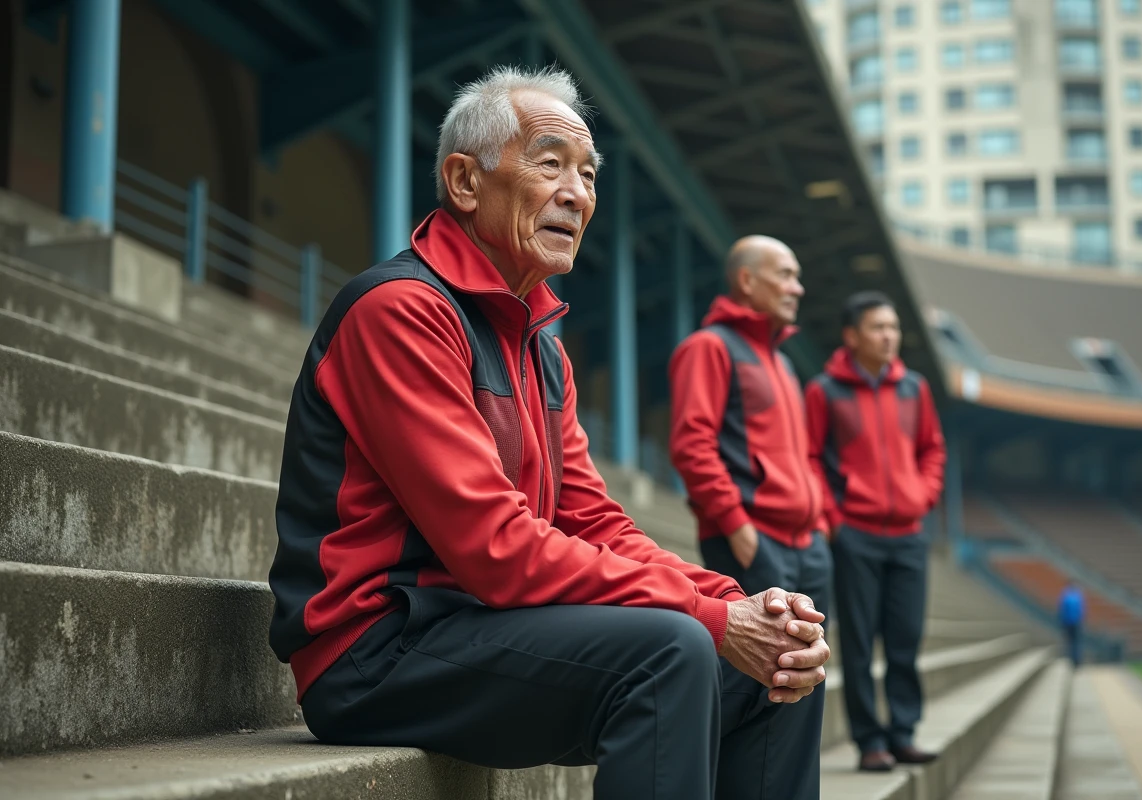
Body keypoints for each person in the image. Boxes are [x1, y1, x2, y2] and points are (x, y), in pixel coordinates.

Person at [267, 65, 830, 800]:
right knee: (671, 650)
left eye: (589, 174)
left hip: (485, 627)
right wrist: (713, 617)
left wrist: (742, 603)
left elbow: (592, 521)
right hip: (377, 650)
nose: (577, 192)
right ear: (465, 182)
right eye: (550, 164)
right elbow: (494, 546)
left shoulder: (540, 342)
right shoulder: (402, 311)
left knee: (782, 669)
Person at [668, 235, 831, 800]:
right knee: (768, 678)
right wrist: (738, 528)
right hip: (753, 540)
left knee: (800, 682)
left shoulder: (784, 363)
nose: (797, 287)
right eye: (785, 274)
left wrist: (820, 527)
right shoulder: (709, 348)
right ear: (747, 280)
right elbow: (692, 445)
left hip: (807, 543)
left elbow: (806, 455)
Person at [805, 291, 946, 773]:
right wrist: (835, 520)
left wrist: (922, 497)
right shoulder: (825, 391)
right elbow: (810, 458)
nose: (889, 336)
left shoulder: (915, 389)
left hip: (909, 534)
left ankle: (903, 733)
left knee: (905, 639)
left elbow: (932, 450)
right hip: (856, 534)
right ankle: (870, 741)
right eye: (878, 328)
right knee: (861, 643)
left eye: (894, 328)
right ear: (852, 336)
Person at [1058, 582, 1086, 668]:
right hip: (1076, 622)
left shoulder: (1066, 597)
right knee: (1076, 642)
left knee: (1070, 642)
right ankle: (1077, 659)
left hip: (1068, 622)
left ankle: (1071, 659)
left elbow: (1062, 611)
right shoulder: (1078, 597)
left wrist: (1062, 622)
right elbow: (1081, 610)